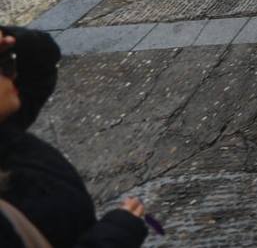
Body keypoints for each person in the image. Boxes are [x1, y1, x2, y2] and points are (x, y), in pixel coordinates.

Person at [0, 26, 151, 247]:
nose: (12, 74)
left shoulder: (6, 130)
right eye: (2, 66)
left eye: (6, 60)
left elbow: (40, 59)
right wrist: (117, 233)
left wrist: (7, 36)